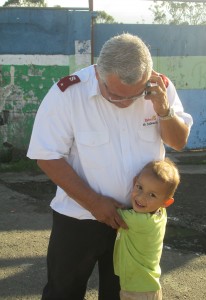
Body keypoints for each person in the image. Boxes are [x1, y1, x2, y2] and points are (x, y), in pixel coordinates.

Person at [27, 33, 193, 299]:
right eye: (115, 95)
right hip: (78, 218)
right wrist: (93, 202)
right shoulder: (69, 94)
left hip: (136, 221)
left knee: (124, 294)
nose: (125, 103)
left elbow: (179, 141)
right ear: (98, 73)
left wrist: (164, 110)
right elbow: (46, 155)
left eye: (135, 95)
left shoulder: (160, 88)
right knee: (63, 292)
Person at [113, 158, 180, 300]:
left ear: (166, 202)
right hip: (149, 286)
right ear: (134, 182)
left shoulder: (137, 220)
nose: (141, 197)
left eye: (152, 195)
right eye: (140, 187)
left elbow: (108, 212)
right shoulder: (161, 213)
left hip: (137, 290)